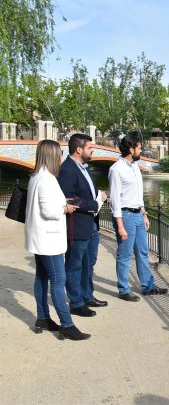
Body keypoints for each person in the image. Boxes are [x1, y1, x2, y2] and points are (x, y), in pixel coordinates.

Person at [25, 139, 90, 340]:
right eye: (58, 153)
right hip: (48, 239)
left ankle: (43, 317)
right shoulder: (47, 179)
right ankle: (67, 324)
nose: (61, 157)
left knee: (42, 278)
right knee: (58, 280)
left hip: (40, 237)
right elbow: (48, 211)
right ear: (51, 155)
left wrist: (63, 202)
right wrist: (66, 208)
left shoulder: (36, 177)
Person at [108, 135, 167, 301]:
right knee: (125, 254)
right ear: (131, 149)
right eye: (139, 148)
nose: (141, 150)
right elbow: (115, 200)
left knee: (143, 251)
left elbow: (138, 194)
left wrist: (144, 214)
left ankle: (148, 286)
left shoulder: (135, 166)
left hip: (138, 214)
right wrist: (120, 226)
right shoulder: (116, 169)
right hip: (125, 216)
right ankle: (124, 289)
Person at [58, 133, 108, 317]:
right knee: (74, 264)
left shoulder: (83, 168)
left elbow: (86, 193)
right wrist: (94, 203)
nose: (93, 150)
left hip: (90, 225)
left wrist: (99, 195)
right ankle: (76, 302)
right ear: (79, 149)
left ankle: (87, 296)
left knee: (89, 263)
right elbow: (69, 198)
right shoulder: (67, 170)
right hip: (76, 225)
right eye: (90, 147)